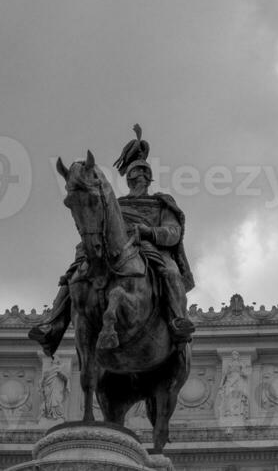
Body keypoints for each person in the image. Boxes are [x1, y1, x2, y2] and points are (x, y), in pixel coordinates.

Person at [29, 128, 196, 354]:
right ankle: (53, 324)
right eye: (135, 175)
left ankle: (177, 321)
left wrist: (148, 232)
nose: (139, 179)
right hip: (114, 248)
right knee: (74, 274)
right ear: (128, 179)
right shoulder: (116, 204)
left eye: (144, 175)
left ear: (149, 179)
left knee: (171, 272)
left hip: (148, 248)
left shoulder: (161, 203)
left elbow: (173, 232)